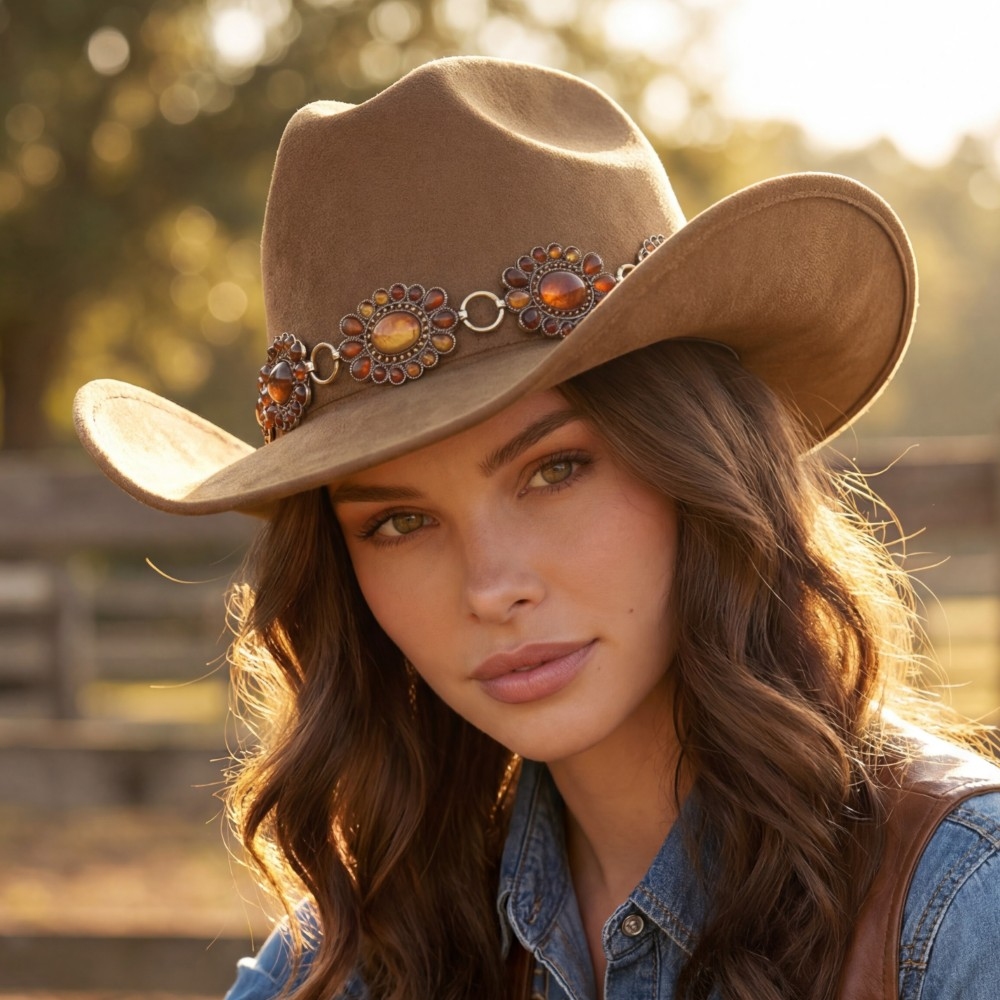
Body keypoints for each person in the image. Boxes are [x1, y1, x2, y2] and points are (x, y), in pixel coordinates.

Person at [73, 57, 1000, 1000]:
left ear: (702, 462)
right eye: (397, 522)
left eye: (554, 470)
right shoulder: (361, 949)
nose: (491, 585)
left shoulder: (960, 908)